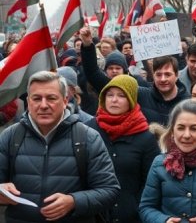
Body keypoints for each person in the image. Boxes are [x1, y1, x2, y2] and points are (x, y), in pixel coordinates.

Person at [0, 71, 120, 222]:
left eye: (51, 98)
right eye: (37, 98)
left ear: (64, 101)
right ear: (28, 102)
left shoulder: (88, 137)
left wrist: (74, 201)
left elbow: (110, 190)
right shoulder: (10, 136)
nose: (43, 105)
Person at [139, 100, 196, 223]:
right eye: (180, 128)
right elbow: (146, 208)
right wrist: (163, 220)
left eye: (194, 129)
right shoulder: (159, 163)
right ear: (172, 131)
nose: (186, 135)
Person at [84, 75, 160, 222]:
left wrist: (136, 207)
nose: (114, 100)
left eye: (121, 95)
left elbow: (150, 181)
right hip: (93, 214)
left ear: (131, 99)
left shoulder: (145, 137)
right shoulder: (87, 130)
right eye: (110, 94)